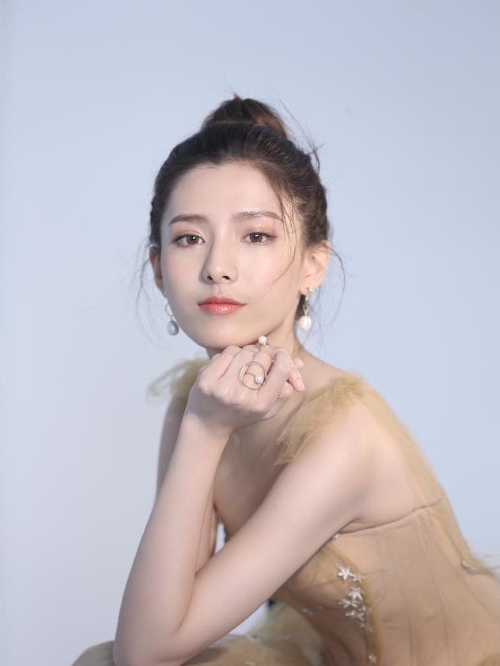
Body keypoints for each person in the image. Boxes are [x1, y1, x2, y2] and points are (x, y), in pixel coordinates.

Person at [73, 96, 500, 666]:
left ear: (313, 266)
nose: (217, 267)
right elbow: (155, 636)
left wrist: (205, 428)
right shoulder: (201, 403)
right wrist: (202, 428)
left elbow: (150, 651)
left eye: (255, 236)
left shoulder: (345, 434)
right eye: (189, 238)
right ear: (157, 270)